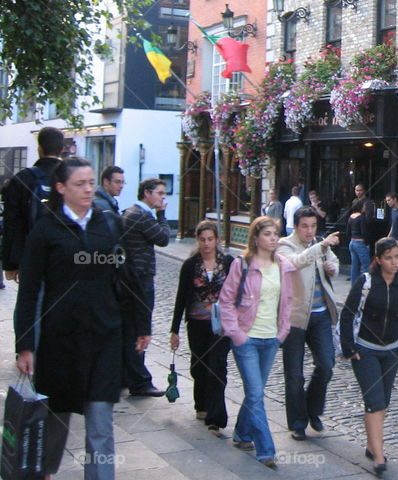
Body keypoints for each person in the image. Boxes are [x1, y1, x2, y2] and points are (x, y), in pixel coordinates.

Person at [15, 157, 149, 480]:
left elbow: (128, 278)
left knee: (101, 426)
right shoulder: (45, 231)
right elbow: (30, 290)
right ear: (61, 188)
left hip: (104, 336)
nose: (88, 189)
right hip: (60, 341)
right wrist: (26, 345)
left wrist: (142, 324)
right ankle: (42, 473)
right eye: (80, 184)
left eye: (91, 182)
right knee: (54, 426)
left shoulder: (109, 224)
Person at [219, 216, 297, 469]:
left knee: (255, 392)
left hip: (271, 338)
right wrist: (237, 334)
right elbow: (226, 301)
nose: (273, 238)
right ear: (256, 238)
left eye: (275, 233)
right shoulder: (242, 265)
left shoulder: (283, 265)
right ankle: (266, 450)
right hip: (247, 339)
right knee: (255, 393)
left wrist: (282, 331)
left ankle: (242, 433)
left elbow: (288, 300)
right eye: (268, 234)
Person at [340, 238, 398, 476]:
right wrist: (349, 347)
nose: (394, 262)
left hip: (392, 350)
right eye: (389, 258)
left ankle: (371, 443)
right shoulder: (365, 282)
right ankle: (379, 454)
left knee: (383, 401)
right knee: (374, 400)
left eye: (397, 257)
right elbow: (347, 314)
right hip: (365, 350)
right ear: (378, 260)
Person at [278, 206, 341, 440]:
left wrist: (331, 268)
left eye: (313, 226)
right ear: (296, 226)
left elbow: (332, 262)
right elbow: (296, 263)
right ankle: (297, 422)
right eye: (305, 226)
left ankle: (313, 410)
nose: (309, 231)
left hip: (321, 314)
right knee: (294, 375)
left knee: (326, 364)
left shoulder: (318, 245)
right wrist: (321, 247)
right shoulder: (285, 245)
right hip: (294, 317)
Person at [170, 220, 235, 438]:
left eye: (210, 239)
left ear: (217, 240)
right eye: (202, 239)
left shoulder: (228, 262)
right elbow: (181, 298)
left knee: (217, 367)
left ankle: (216, 419)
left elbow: (238, 292)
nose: (206, 244)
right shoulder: (190, 265)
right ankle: (202, 404)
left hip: (222, 326)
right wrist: (174, 330)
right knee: (199, 365)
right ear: (198, 240)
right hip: (197, 322)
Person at [120, 177, 171, 397]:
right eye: (160, 193)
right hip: (139, 279)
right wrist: (161, 215)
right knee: (139, 329)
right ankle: (139, 381)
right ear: (147, 193)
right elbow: (163, 238)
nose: (162, 197)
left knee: (132, 329)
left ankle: (128, 375)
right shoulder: (141, 216)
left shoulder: (130, 212)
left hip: (132, 277)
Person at [2, 125, 65, 283]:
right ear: (62, 149)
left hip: (31, 258)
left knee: (32, 302)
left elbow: (12, 223)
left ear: (39, 148)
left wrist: (10, 264)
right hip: (66, 257)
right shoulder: (73, 178)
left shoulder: (23, 179)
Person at [347, 198, 370, 283]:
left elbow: (348, 232)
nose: (365, 207)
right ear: (361, 206)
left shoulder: (350, 217)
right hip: (360, 243)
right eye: (363, 205)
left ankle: (354, 287)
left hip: (352, 242)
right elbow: (364, 232)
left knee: (354, 267)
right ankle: (367, 285)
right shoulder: (361, 217)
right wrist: (367, 243)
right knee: (366, 266)